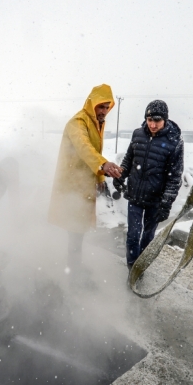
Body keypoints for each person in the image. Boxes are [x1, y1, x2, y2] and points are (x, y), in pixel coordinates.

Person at [48, 84, 123, 273]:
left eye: (107, 107)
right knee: (74, 229)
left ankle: (74, 267)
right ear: (91, 104)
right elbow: (84, 148)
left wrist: (99, 181)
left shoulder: (97, 123)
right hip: (71, 186)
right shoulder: (78, 123)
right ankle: (73, 272)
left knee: (78, 229)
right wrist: (103, 165)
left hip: (83, 185)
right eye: (101, 106)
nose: (104, 111)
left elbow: (95, 151)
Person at [114, 100, 184, 269]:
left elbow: (174, 176)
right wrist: (120, 175)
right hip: (135, 195)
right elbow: (129, 159)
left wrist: (166, 203)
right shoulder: (138, 134)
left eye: (157, 121)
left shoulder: (174, 142)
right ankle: (132, 268)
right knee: (132, 235)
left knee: (147, 237)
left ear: (165, 120)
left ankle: (141, 268)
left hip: (156, 200)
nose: (152, 124)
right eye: (149, 120)